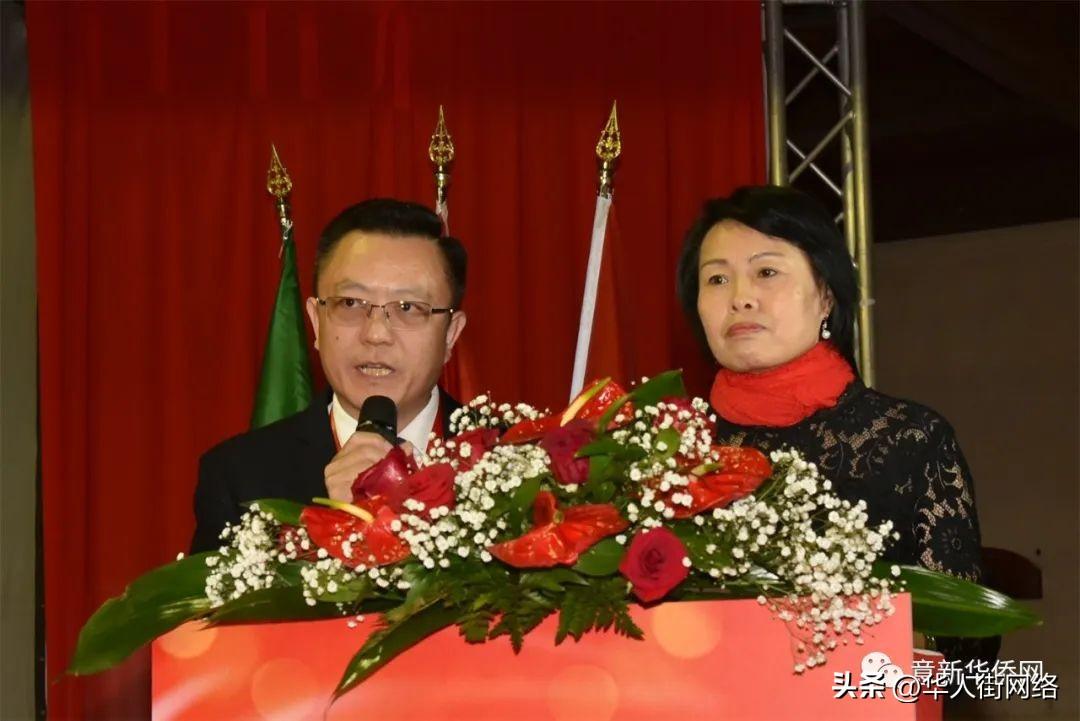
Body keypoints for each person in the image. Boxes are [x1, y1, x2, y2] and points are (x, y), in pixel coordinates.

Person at [676, 185, 991, 657]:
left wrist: (865, 641)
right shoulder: (670, 448)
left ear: (826, 295)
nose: (740, 298)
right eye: (717, 279)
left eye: (766, 272)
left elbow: (967, 642)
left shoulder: (908, 439)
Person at [191, 198, 467, 553]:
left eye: (408, 308)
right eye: (350, 303)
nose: (376, 334)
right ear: (316, 322)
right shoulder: (240, 477)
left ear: (450, 335)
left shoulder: (519, 465)